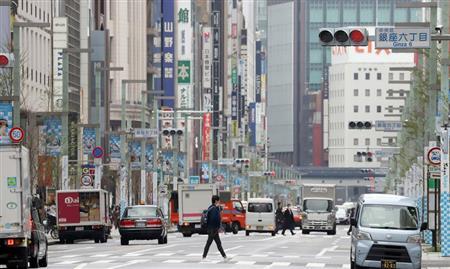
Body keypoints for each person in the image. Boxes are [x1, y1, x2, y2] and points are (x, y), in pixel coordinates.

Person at [202, 195, 229, 262]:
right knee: (209, 243)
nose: (219, 202)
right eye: (218, 200)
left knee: (218, 243)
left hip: (212, 229)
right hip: (213, 229)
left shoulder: (211, 207)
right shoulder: (214, 209)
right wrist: (217, 227)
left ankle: (224, 256)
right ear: (216, 201)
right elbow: (214, 219)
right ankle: (204, 257)